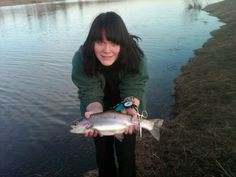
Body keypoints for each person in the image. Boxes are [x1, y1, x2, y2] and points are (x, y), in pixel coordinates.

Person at [71, 11, 149, 177]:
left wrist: (131, 110)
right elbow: (89, 92)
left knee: (126, 155)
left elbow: (133, 88)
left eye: (113, 42)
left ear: (122, 42)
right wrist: (94, 113)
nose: (107, 50)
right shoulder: (82, 58)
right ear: (92, 42)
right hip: (98, 110)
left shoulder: (136, 56)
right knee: (103, 154)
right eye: (100, 42)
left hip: (126, 107)